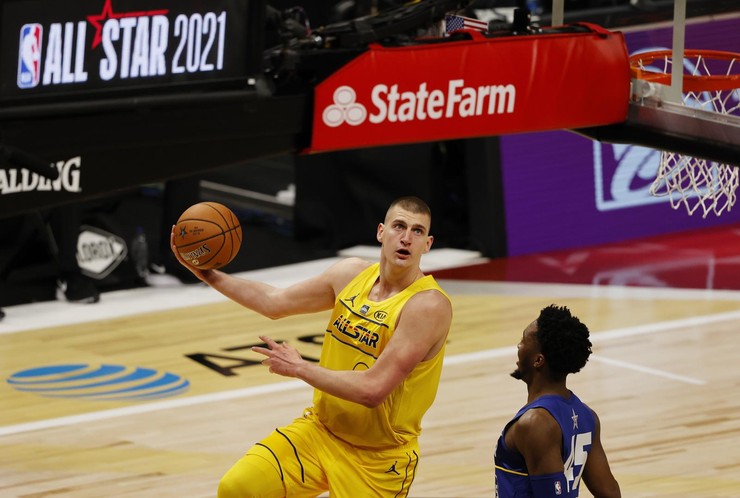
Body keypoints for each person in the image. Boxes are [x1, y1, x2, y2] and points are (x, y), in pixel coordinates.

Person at [171, 196, 452, 498]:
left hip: (378, 459)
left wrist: (299, 368)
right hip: (319, 432)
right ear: (381, 232)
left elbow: (372, 390)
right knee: (238, 488)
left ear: (427, 244)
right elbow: (273, 302)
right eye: (399, 226)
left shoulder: (427, 306)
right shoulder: (350, 274)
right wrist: (207, 274)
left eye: (417, 231)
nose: (407, 238)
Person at [494, 305, 621, 498]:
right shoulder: (587, 416)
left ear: (538, 360)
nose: (518, 346)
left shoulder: (535, 424)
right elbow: (609, 493)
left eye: (523, 341)